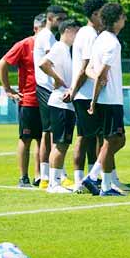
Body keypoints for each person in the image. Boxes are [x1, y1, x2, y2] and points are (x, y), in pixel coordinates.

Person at [82, 3, 127, 197]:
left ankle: (106, 186)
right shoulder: (112, 43)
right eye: (123, 17)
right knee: (116, 141)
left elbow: (89, 70)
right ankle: (92, 177)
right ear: (116, 19)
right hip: (110, 100)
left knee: (110, 141)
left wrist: (95, 97)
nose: (125, 20)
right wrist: (94, 98)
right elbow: (100, 74)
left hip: (105, 99)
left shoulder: (100, 39)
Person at [0, 14, 46, 187]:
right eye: (42, 30)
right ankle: (23, 177)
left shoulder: (52, 45)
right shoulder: (24, 44)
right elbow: (2, 64)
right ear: (35, 29)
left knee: (43, 139)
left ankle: (40, 176)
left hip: (47, 100)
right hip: (29, 100)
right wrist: (7, 89)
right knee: (25, 139)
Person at [68, 0, 107, 193]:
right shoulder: (90, 34)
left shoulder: (85, 32)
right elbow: (85, 67)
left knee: (92, 137)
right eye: (102, 13)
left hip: (85, 93)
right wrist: (74, 90)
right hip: (85, 94)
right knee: (84, 137)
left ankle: (90, 178)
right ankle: (78, 181)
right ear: (94, 14)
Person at [40, 19, 81, 193]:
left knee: (62, 143)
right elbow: (43, 64)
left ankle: (54, 180)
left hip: (65, 103)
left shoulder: (66, 50)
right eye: (77, 32)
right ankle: (53, 183)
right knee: (60, 144)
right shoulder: (59, 47)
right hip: (60, 102)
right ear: (69, 30)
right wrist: (57, 79)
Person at [33, 5, 67, 188]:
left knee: (49, 131)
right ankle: (54, 175)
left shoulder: (48, 37)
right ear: (50, 18)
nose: (62, 23)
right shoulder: (47, 37)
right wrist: (58, 79)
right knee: (52, 131)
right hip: (47, 88)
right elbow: (48, 61)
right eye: (60, 19)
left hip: (46, 87)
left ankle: (47, 175)